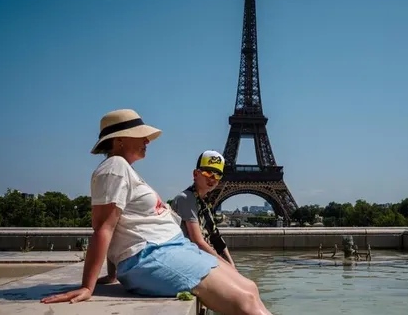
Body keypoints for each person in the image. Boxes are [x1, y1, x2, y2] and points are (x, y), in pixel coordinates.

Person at [40, 109, 272, 315]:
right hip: (152, 255)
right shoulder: (115, 168)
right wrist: (87, 286)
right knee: (245, 300)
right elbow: (104, 227)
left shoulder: (124, 170)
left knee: (250, 287)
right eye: (141, 136)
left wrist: (111, 276)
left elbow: (124, 224)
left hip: (172, 249)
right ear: (120, 140)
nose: (147, 141)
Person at [171, 150, 236, 267]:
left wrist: (231, 265)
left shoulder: (204, 201)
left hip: (202, 257)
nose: (212, 178)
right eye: (208, 173)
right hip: (191, 261)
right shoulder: (186, 198)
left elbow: (216, 236)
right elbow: (198, 241)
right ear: (196, 174)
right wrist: (226, 266)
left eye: (217, 175)